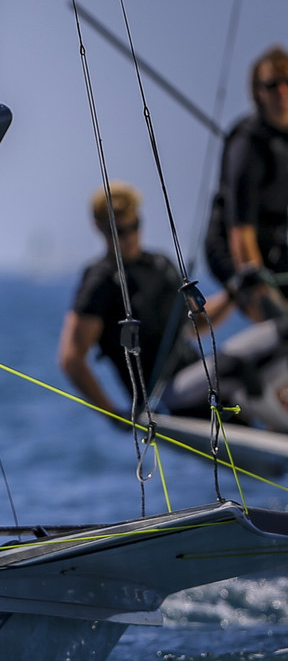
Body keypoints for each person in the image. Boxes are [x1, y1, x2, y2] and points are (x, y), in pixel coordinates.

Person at [59, 181, 216, 417]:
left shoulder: (160, 265)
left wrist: (235, 293)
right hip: (163, 395)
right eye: (119, 231)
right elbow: (71, 359)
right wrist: (113, 415)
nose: (130, 236)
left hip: (197, 373)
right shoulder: (100, 281)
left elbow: (197, 325)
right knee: (238, 366)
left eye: (135, 226)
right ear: (99, 229)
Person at [202, 44, 288, 320]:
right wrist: (262, 302)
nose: (281, 92)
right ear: (258, 92)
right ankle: (200, 318)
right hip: (233, 243)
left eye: (287, 82)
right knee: (269, 310)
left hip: (275, 241)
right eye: (271, 85)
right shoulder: (247, 144)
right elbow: (241, 231)